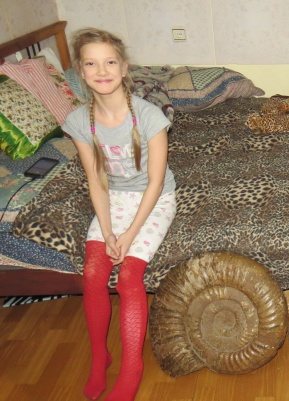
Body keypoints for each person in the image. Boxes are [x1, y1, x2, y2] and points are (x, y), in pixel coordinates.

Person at [61, 28, 176, 401]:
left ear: (124, 67)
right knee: (93, 274)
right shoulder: (80, 121)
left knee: (128, 278)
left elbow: (155, 182)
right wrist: (108, 232)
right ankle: (100, 358)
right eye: (91, 64)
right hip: (115, 198)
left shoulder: (149, 116)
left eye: (110, 62)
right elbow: (96, 181)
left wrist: (129, 236)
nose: (102, 71)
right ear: (80, 71)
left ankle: (131, 369)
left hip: (153, 199)